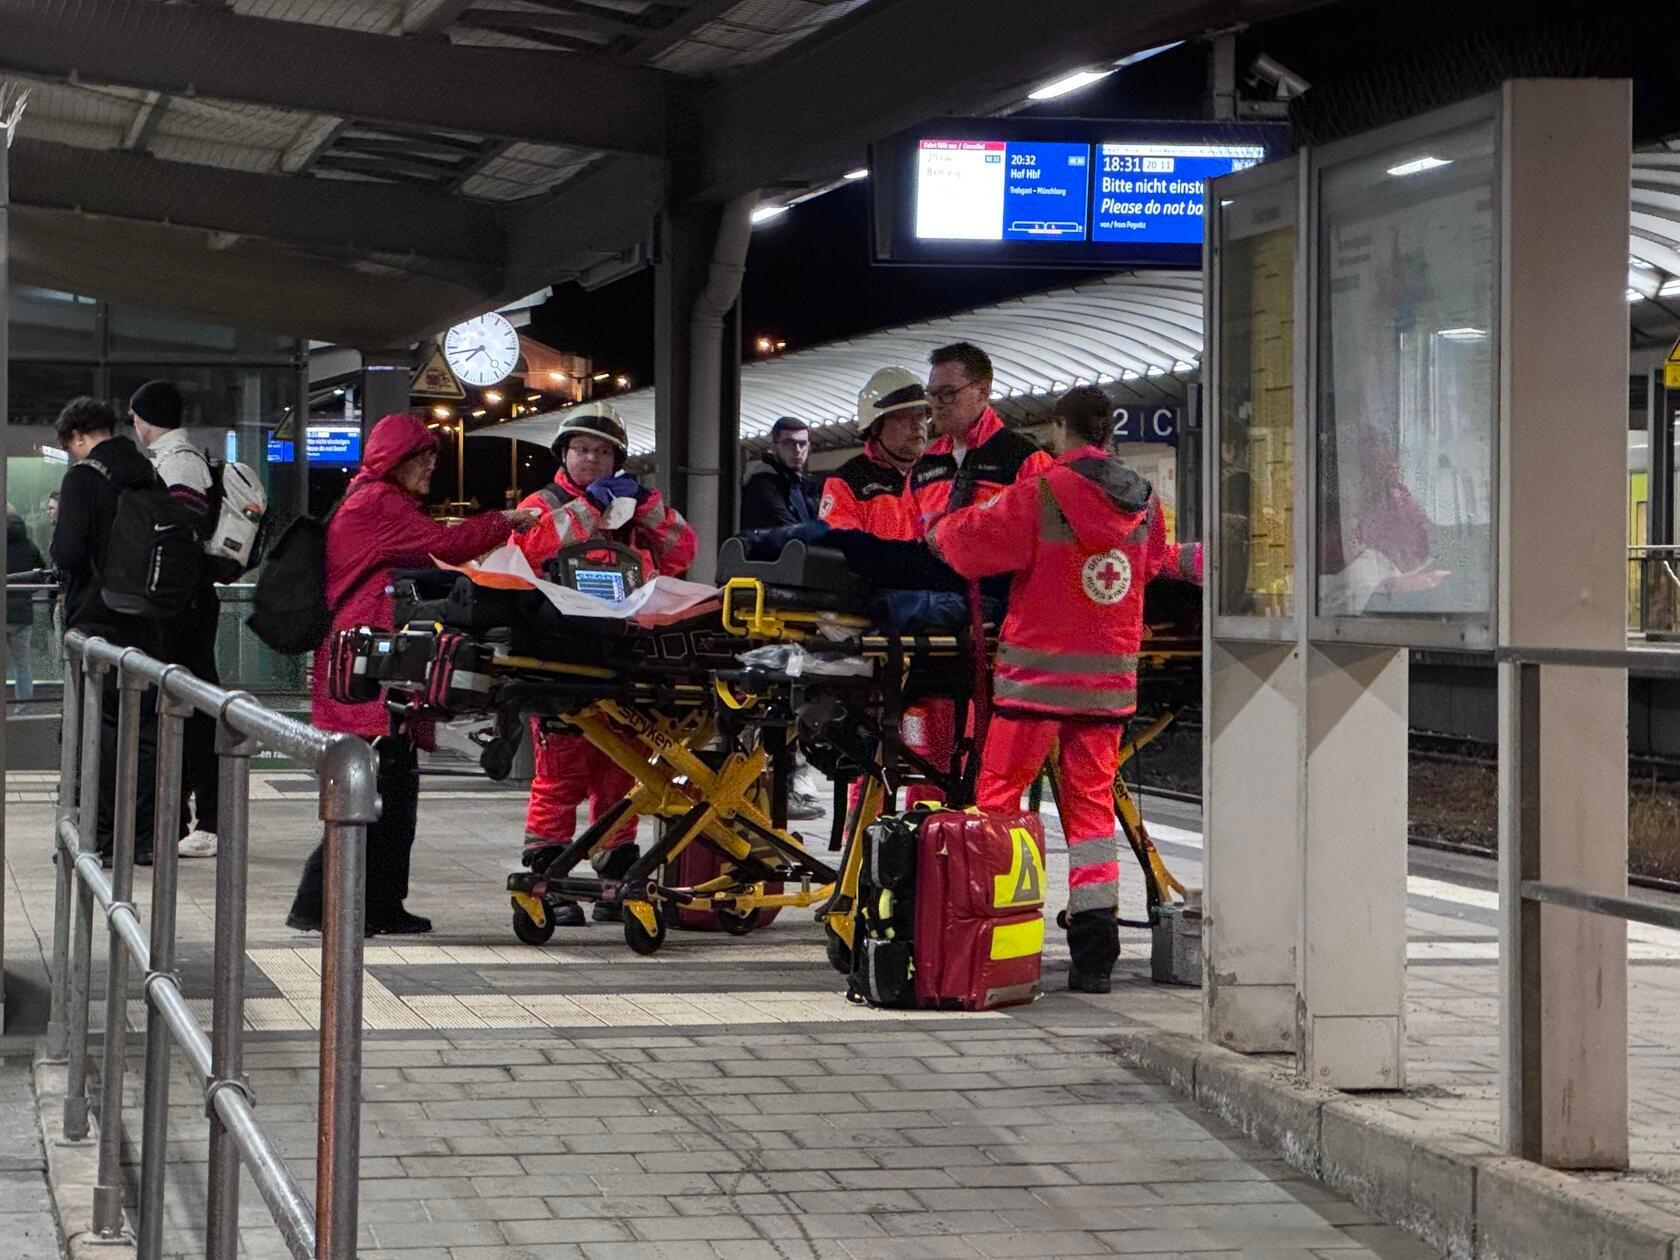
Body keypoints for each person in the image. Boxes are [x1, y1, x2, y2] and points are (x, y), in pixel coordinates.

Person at [927, 386, 1203, 995]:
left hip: (1035, 686)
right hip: (1105, 689)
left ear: (1060, 427)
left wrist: (938, 527)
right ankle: (1095, 959)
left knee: (998, 806)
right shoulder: (1144, 500)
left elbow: (969, 547)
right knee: (1092, 820)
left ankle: (997, 944)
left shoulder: (1042, 490)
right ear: (1109, 430)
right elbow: (1155, 563)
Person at [286, 413, 539, 936]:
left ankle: (368, 904)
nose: (430, 468)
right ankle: (334, 904)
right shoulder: (378, 501)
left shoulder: (369, 497)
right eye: (421, 458)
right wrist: (505, 521)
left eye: (432, 458)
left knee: (382, 788)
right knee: (380, 789)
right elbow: (443, 546)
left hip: (362, 660)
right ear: (395, 461)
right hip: (363, 668)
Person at [515, 403, 697, 924]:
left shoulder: (634, 514)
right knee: (561, 776)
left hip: (626, 659)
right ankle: (547, 878)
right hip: (560, 663)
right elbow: (532, 547)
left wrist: (648, 506)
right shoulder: (541, 504)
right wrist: (589, 508)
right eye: (582, 449)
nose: (592, 459)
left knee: (623, 772)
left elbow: (682, 550)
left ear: (618, 460)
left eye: (603, 452)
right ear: (564, 454)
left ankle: (615, 873)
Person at [819, 367, 946, 811]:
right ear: (876, 425)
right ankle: (866, 837)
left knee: (939, 749)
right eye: (905, 418)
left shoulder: (940, 476)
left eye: (922, 417)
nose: (919, 427)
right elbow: (843, 556)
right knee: (873, 753)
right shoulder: (848, 482)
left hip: (937, 636)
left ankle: (925, 833)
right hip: (877, 639)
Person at [51, 397, 165, 867]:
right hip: (148, 619)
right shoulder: (147, 473)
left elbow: (67, 552)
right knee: (144, 732)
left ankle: (99, 836)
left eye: (70, 445)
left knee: (98, 727)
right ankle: (142, 838)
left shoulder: (83, 478)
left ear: (79, 436)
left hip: (97, 620)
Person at [128, 379, 221, 859]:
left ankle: (211, 821)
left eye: (135, 416)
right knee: (180, 705)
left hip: (185, 602)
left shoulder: (179, 461)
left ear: (146, 418)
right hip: (182, 600)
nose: (133, 425)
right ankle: (183, 816)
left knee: (199, 708)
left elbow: (181, 530)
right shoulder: (172, 459)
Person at [740, 416, 819, 531]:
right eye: (788, 443)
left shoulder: (799, 484)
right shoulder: (763, 485)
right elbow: (790, 530)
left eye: (802, 444)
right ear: (774, 447)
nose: (797, 450)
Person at [6, 504, 44, 702]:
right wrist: (28, 591)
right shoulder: (30, 547)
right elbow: (41, 575)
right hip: (22, 614)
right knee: (23, 665)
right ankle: (25, 708)